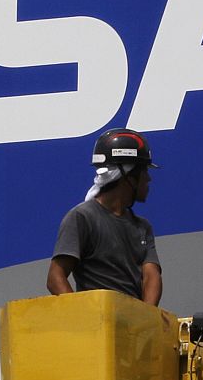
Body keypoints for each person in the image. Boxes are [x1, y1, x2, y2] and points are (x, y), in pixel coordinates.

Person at [46, 128, 162, 306]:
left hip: (132, 327)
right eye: (144, 171)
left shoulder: (142, 227)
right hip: (97, 328)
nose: (148, 179)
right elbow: (55, 277)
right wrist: (85, 318)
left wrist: (145, 319)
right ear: (128, 176)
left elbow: (151, 276)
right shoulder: (82, 218)